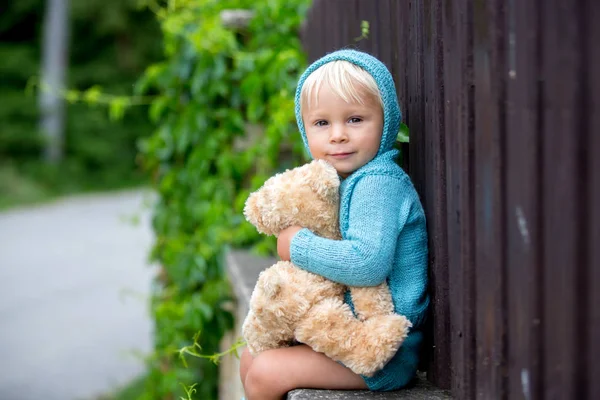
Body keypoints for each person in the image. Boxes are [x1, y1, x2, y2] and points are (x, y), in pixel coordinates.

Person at [239, 49, 430, 400]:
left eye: (355, 119)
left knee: (265, 371)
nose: (338, 135)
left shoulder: (378, 182)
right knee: (251, 356)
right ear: (304, 128)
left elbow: (367, 263)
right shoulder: (343, 180)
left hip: (383, 349)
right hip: (347, 333)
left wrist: (297, 244)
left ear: (385, 121)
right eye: (322, 123)